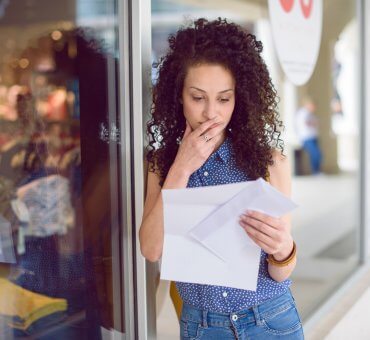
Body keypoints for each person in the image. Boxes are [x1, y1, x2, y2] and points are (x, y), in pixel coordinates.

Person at [139, 18, 304, 339]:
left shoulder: (270, 162)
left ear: (239, 99)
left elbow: (280, 272)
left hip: (270, 319)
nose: (211, 112)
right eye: (198, 98)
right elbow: (151, 249)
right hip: (202, 327)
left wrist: (284, 249)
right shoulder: (163, 165)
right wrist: (181, 169)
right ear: (179, 97)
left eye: (224, 98)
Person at [295, 97, 322, 175]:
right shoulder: (303, 113)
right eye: (312, 105)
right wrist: (313, 122)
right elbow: (306, 123)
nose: (314, 107)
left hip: (313, 137)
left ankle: (317, 171)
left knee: (317, 155)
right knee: (315, 154)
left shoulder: (309, 113)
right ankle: (316, 172)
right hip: (306, 138)